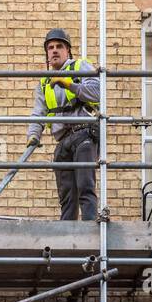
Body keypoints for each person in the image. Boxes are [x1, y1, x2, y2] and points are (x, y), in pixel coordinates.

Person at [26, 28, 101, 220]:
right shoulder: (44, 82)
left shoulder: (79, 66)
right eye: (50, 47)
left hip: (83, 134)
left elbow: (97, 92)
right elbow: (38, 113)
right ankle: (68, 233)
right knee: (67, 194)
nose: (54, 50)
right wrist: (33, 135)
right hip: (62, 142)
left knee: (85, 185)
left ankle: (90, 227)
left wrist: (68, 84)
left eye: (59, 46)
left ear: (68, 50)